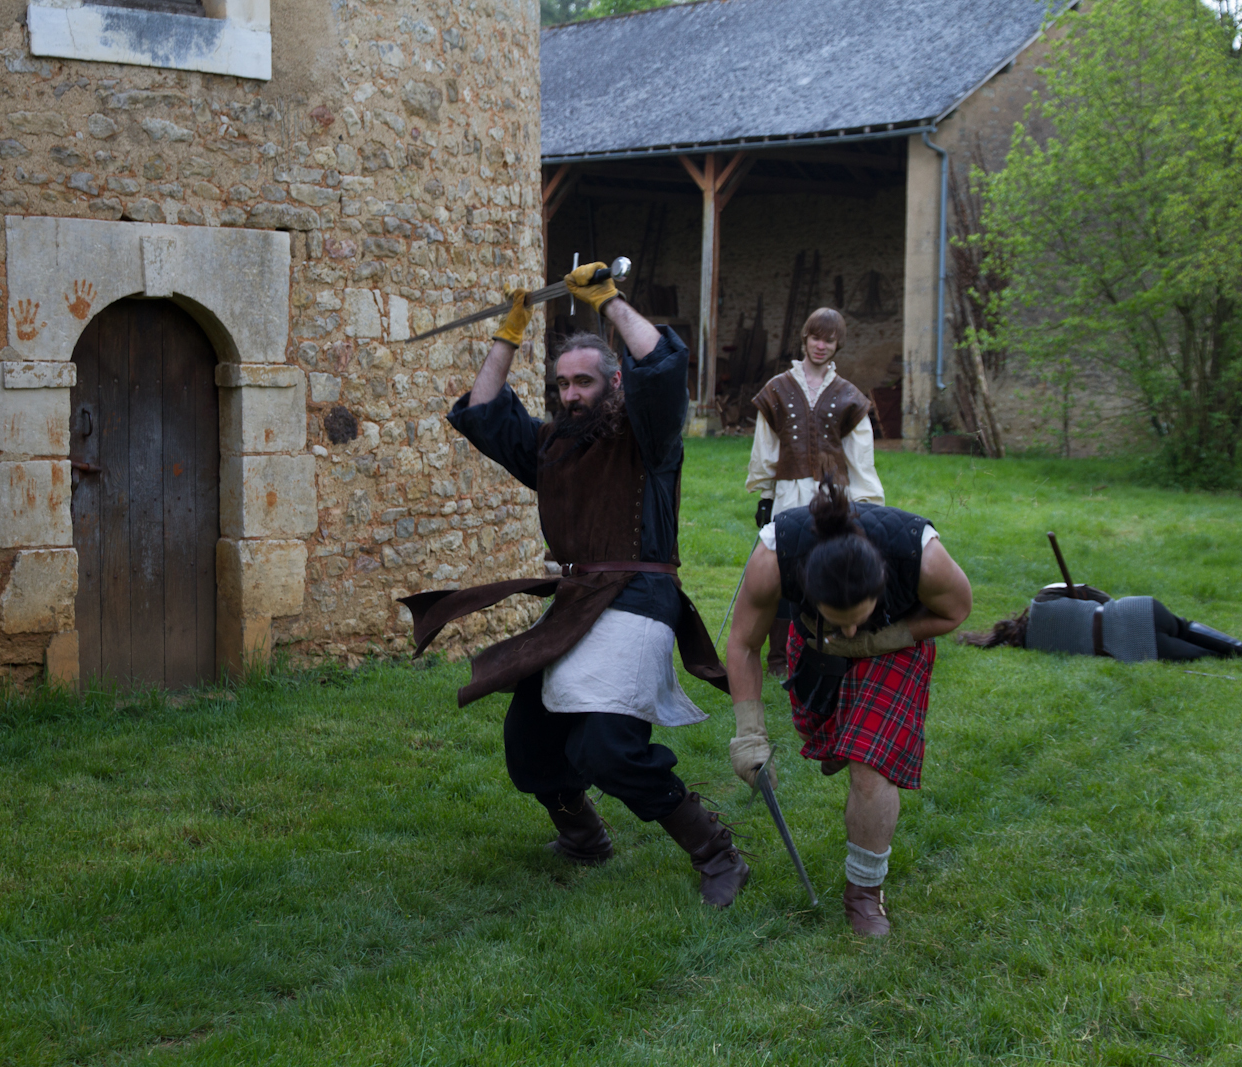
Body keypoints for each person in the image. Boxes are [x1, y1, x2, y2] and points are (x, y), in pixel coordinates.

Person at [401, 263, 749, 908]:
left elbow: (661, 366)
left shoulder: (649, 437)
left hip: (639, 597)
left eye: (583, 381)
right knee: (528, 741)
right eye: (562, 384)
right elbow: (483, 413)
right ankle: (585, 837)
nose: (571, 394)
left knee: (606, 747)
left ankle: (715, 851)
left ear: (614, 382)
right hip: (575, 602)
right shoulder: (551, 445)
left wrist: (610, 301)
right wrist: (508, 334)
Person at [724, 476, 972, 939]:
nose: (852, 632)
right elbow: (743, 643)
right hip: (812, 642)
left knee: (869, 764)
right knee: (827, 736)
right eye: (842, 620)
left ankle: (864, 891)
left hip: (898, 643)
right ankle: (844, 734)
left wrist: (884, 638)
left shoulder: (922, 557)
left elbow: (957, 611)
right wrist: (749, 732)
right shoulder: (775, 557)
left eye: (858, 619)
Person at [746, 308, 884, 676]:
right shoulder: (777, 389)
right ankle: (779, 659)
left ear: (838, 345)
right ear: (805, 339)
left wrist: (866, 503)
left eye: (829, 340)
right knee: (782, 572)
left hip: (832, 498)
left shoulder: (849, 396)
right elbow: (765, 448)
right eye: (816, 338)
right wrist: (765, 496)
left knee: (829, 568)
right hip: (788, 495)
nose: (821, 346)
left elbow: (861, 460)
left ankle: (827, 649)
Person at [960, 584, 1242, 662]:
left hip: (1132, 645)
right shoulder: (1042, 600)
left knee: (1207, 654)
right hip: (1134, 610)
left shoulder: (1038, 648)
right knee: (1186, 627)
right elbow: (1096, 595)